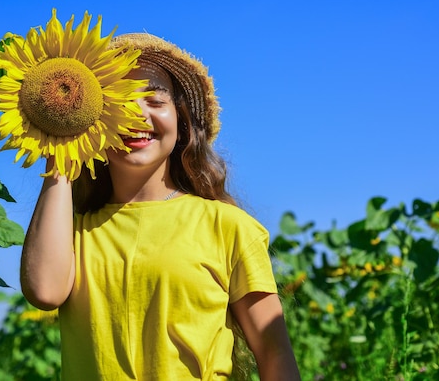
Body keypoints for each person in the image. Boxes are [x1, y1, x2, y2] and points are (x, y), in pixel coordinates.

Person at [20, 33, 300, 380]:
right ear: (92, 120)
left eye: (155, 100)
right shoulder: (72, 232)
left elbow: (274, 353)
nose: (137, 114)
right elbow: (45, 291)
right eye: (117, 103)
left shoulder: (227, 226)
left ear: (181, 122)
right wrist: (61, 147)